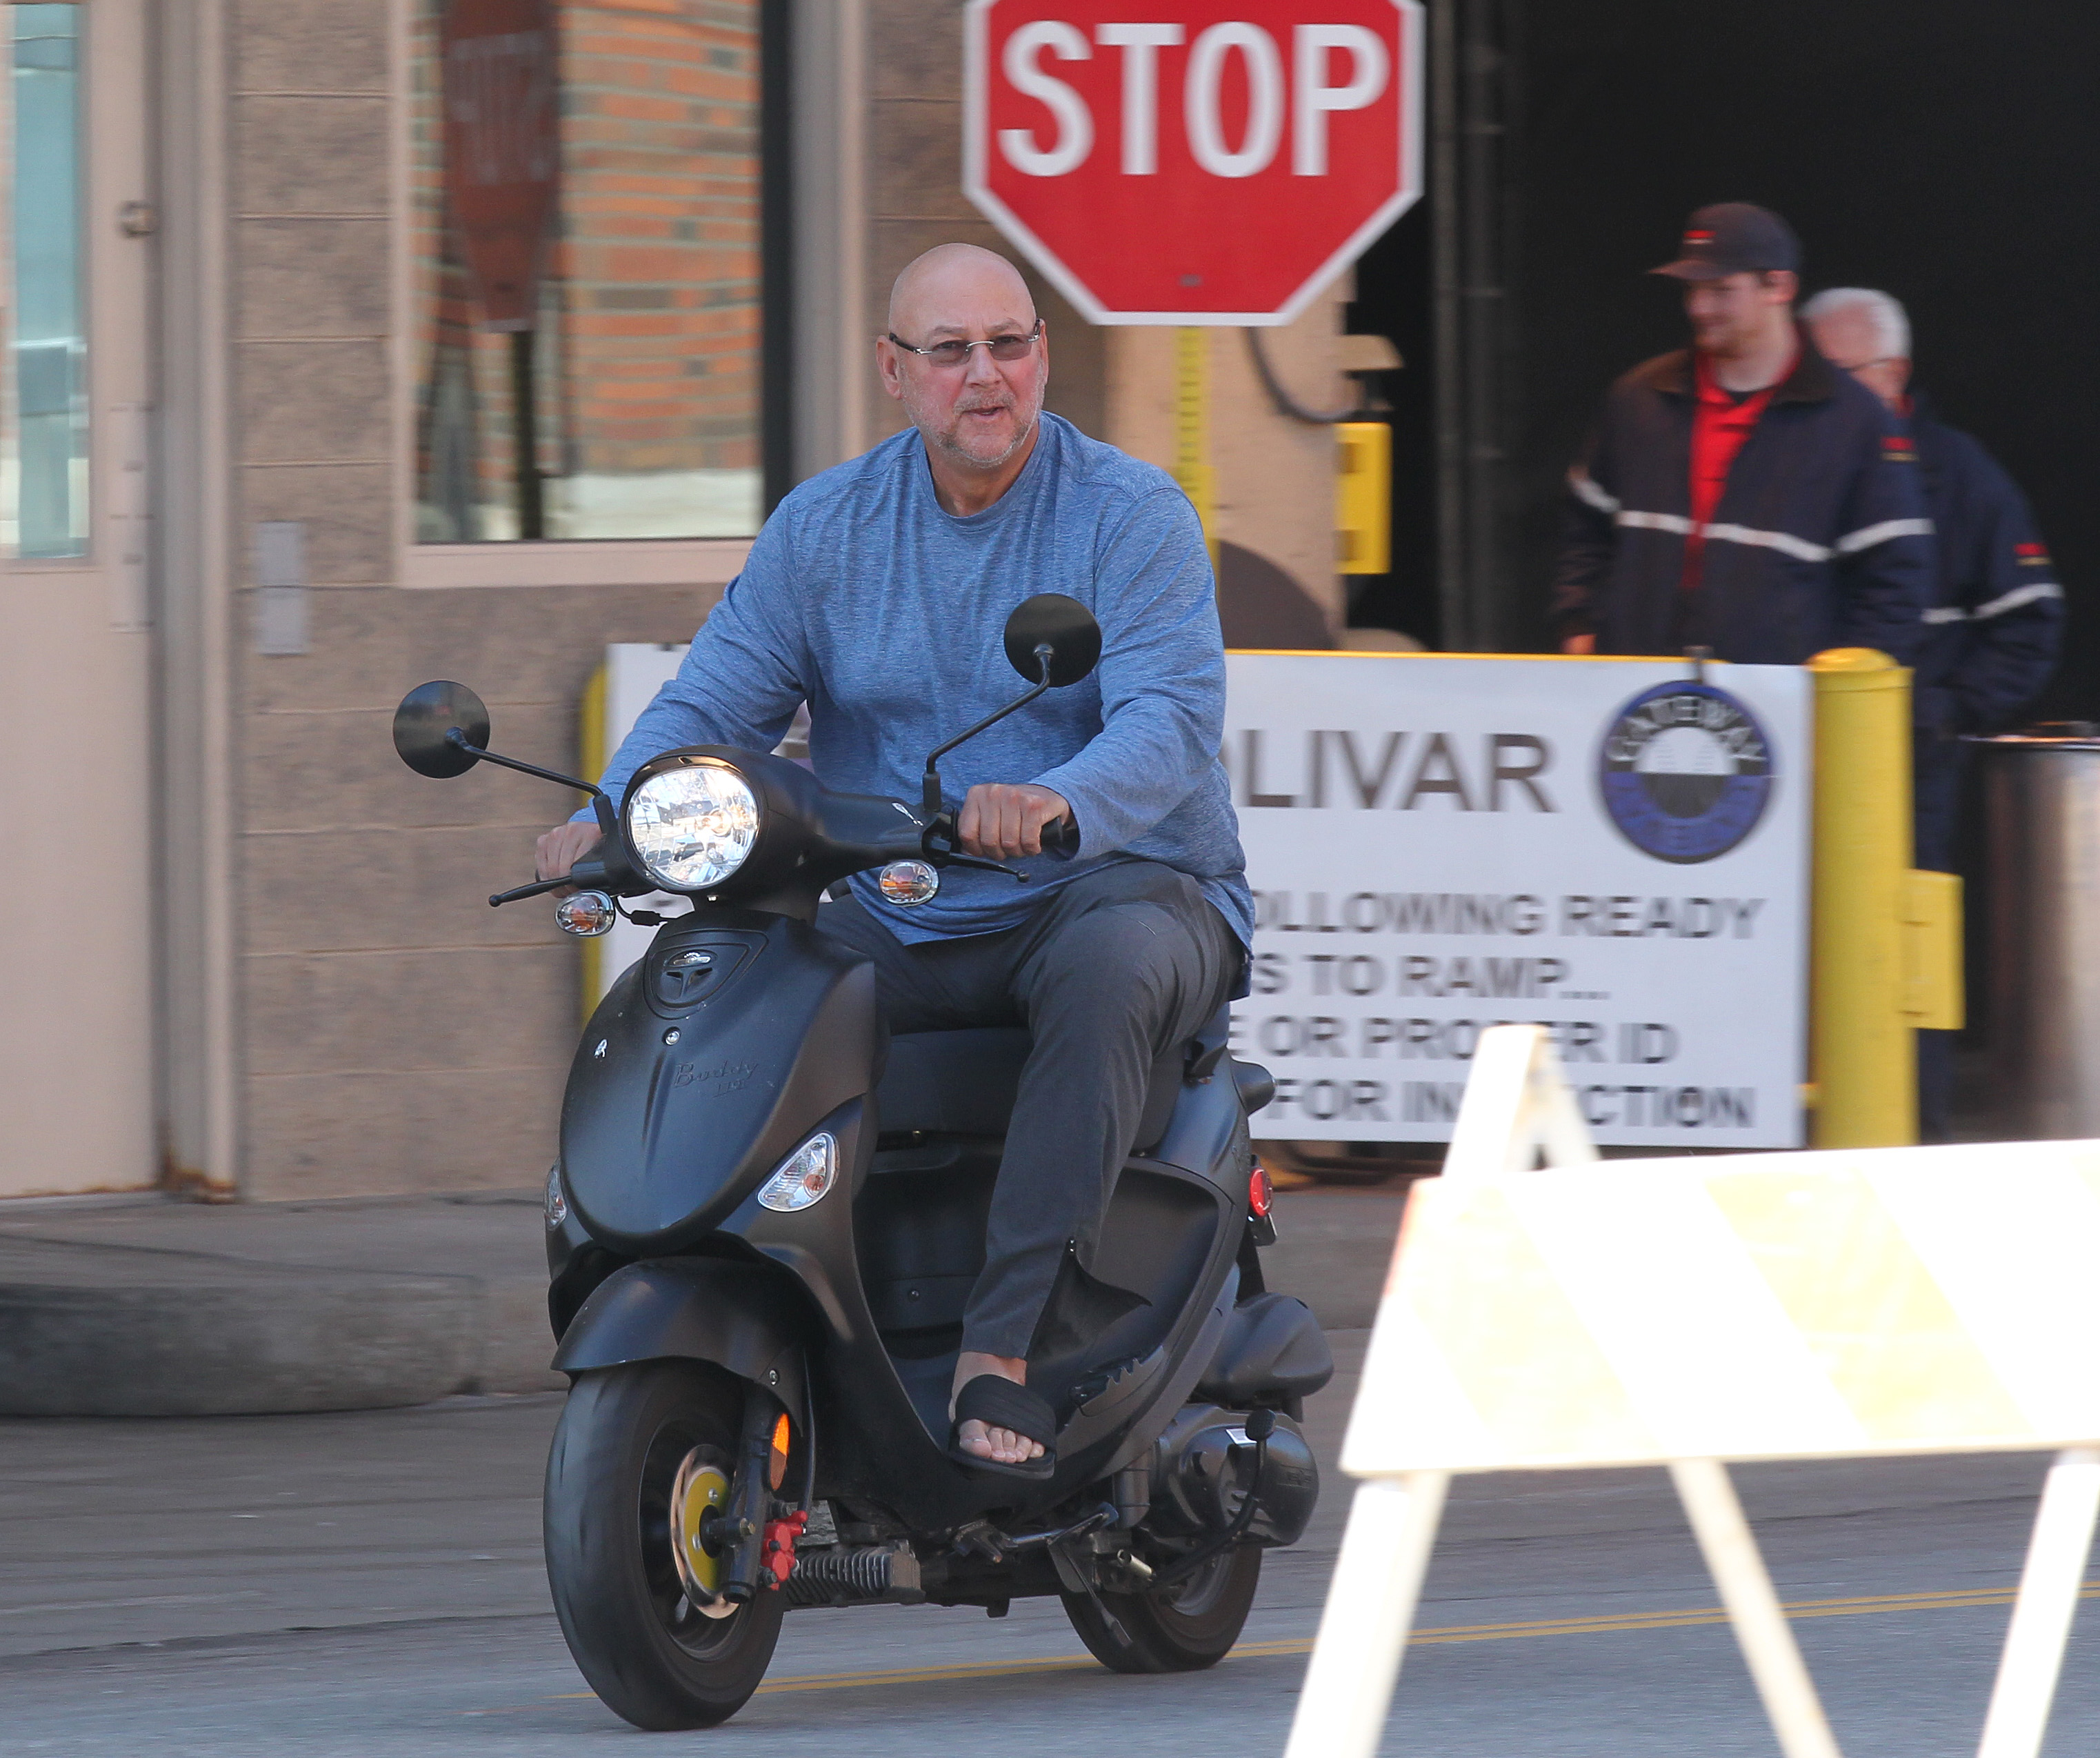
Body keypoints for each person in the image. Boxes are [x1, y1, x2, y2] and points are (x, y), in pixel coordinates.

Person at [534, 243, 1248, 1475]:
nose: (989, 377)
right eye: (952, 351)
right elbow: (715, 698)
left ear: (1042, 354)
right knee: (734, 967)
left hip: (1118, 883)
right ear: (892, 369)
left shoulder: (1130, 514)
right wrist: (615, 815)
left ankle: (1007, 1346)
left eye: (1012, 344)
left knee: (1112, 957)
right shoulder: (828, 529)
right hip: (905, 904)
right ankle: (756, 1298)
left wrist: (1057, 799)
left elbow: (1169, 724)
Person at [1803, 286, 2064, 1139]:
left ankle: (1913, 1148)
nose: (1823, 392)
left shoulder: (1959, 474)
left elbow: (2031, 621)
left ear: (1897, 373)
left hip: (1908, 773)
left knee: (1899, 973)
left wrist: (1946, 711)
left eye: (1843, 374)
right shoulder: (1786, 465)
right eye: (1814, 374)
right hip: (1783, 766)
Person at [1551, 203, 1932, 665]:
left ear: (1779, 286)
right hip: (1637, 698)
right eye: (1691, 289)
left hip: (1779, 714)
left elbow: (1897, 583)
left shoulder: (1855, 422)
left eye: (1720, 290)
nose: (1698, 307)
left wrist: (1835, 695)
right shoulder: (1637, 398)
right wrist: (1579, 627)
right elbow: (1584, 526)